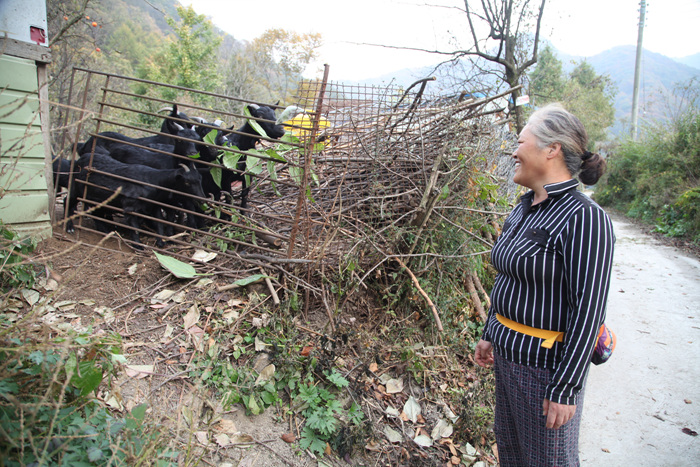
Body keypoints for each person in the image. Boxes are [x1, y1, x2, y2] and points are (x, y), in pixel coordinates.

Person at [474, 103, 615, 466]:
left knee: (549, 461)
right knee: (514, 456)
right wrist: (492, 331)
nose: (514, 150)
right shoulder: (523, 208)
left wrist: (566, 387)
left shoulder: (584, 218)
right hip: (507, 359)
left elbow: (589, 311)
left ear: (551, 149)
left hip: (545, 370)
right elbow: (507, 278)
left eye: (521, 141)